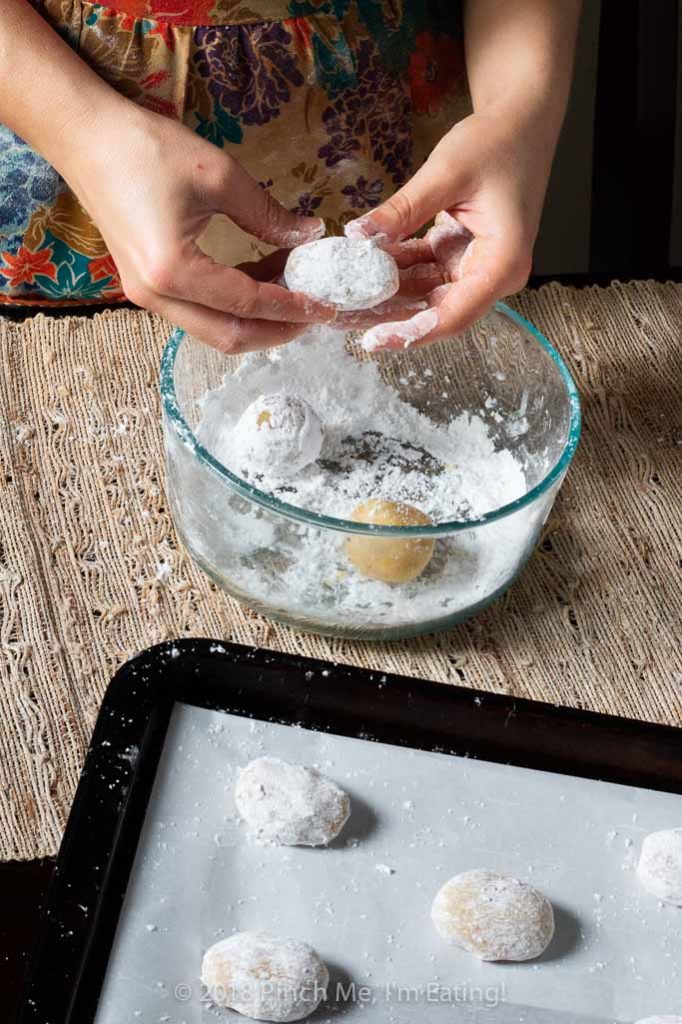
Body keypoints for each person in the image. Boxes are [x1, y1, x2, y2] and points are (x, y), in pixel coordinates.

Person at [0, 0, 580, 352]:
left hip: (390, 101)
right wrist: (87, 133)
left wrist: (516, 112)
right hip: (56, 97)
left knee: (411, 326)